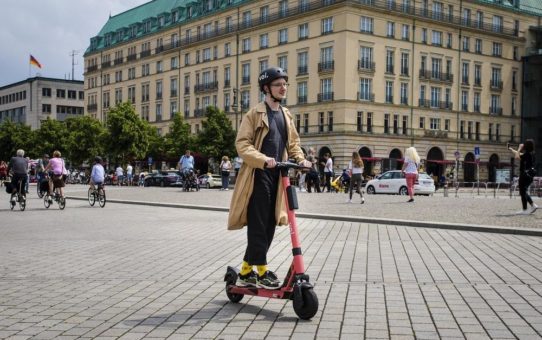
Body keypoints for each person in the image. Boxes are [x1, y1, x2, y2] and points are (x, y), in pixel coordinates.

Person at [228, 66, 312, 290]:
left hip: (279, 175)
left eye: (285, 84)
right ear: (266, 88)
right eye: (278, 84)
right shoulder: (254, 114)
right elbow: (242, 144)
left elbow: (293, 144)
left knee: (270, 224)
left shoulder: (286, 115)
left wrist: (300, 160)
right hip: (257, 174)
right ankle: (262, 270)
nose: (283, 88)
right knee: (259, 223)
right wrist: (262, 158)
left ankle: (246, 271)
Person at [509, 140, 538, 214]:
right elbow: (519, 154)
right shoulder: (530, 154)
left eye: (524, 144)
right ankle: (529, 207)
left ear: (526, 146)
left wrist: (519, 148)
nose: (523, 145)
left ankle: (528, 207)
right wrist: (512, 150)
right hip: (529, 175)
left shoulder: (527, 154)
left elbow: (517, 157)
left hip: (524, 175)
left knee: (522, 191)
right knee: (523, 191)